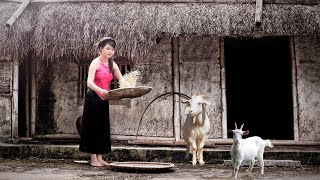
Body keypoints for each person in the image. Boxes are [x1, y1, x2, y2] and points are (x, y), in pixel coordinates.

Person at [79, 37, 125, 167]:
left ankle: (100, 157)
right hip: (93, 97)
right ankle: (93, 159)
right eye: (108, 48)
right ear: (101, 49)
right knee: (92, 128)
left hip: (104, 99)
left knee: (102, 128)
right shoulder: (95, 62)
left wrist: (129, 87)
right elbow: (89, 82)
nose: (111, 51)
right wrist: (101, 90)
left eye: (113, 49)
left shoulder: (112, 64)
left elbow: (121, 79)